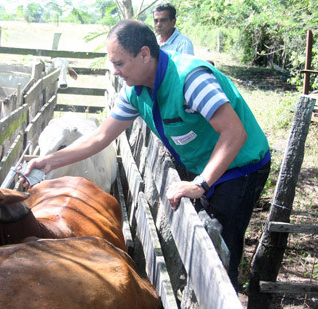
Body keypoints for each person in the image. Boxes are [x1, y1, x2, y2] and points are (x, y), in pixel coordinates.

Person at [25, 19, 271, 291]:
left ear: (144, 54)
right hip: (203, 162)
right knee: (202, 235)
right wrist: (47, 162)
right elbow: (100, 136)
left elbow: (234, 134)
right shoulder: (135, 91)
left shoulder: (190, 79)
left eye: (119, 63)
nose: (115, 70)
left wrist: (201, 183)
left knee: (222, 251)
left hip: (240, 166)